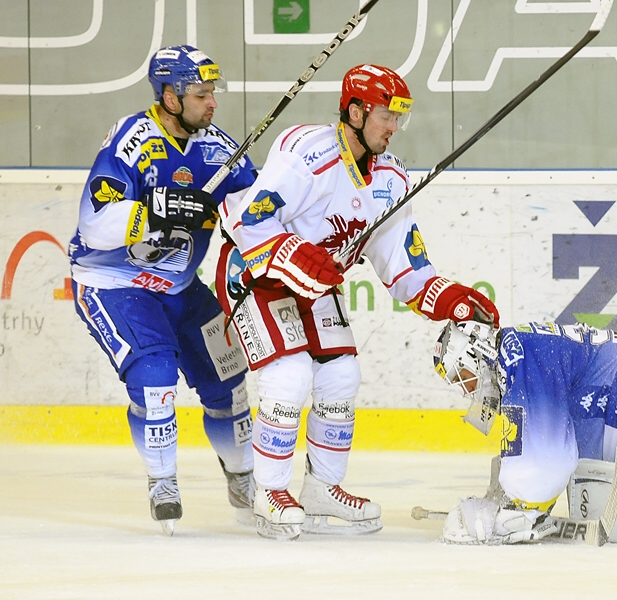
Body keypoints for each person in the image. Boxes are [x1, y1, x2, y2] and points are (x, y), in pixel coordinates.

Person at [215, 64, 500, 541]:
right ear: (354, 111)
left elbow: (404, 266)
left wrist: (449, 298)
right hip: (254, 273)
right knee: (290, 374)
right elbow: (249, 223)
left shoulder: (391, 179)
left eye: (399, 117)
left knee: (342, 374)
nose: (394, 127)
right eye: (387, 116)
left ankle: (321, 489)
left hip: (314, 283)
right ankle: (269, 492)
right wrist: (295, 254)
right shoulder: (306, 153)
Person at [68, 45, 258, 535]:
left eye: (212, 92)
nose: (212, 102)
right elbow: (94, 225)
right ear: (170, 97)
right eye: (200, 94)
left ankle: (243, 475)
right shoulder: (131, 140)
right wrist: (159, 208)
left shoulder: (219, 149)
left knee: (230, 380)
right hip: (115, 284)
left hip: (180, 286)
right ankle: (162, 480)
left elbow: (258, 209)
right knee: (155, 380)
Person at [432, 319, 617, 544]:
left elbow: (545, 459)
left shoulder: (518, 352)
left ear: (477, 352)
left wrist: (517, 512)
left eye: (462, 376)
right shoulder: (520, 348)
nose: (465, 388)